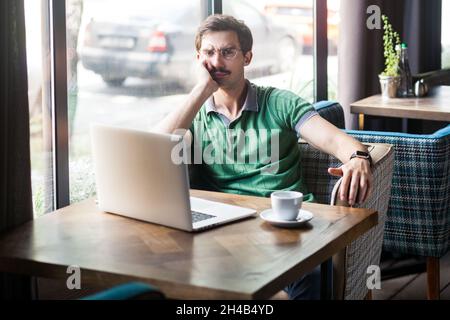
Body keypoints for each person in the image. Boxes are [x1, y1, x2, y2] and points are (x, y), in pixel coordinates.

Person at [154, 14, 373, 299]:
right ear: (199, 59)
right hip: (223, 231)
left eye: (227, 52)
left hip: (287, 229)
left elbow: (335, 139)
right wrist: (201, 90)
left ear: (247, 57)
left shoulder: (280, 102)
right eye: (209, 53)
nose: (217, 62)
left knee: (312, 278)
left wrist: (357, 157)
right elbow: (154, 151)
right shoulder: (193, 111)